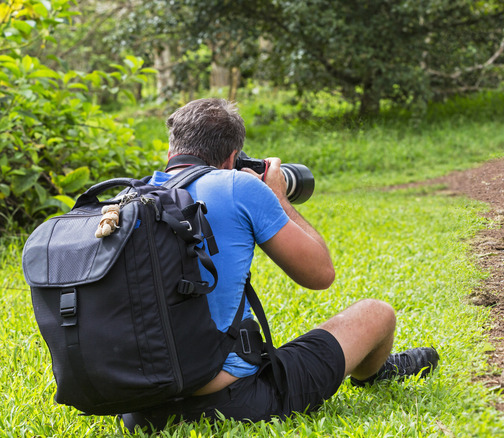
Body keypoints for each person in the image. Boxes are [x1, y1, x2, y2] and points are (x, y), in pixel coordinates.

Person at [121, 98, 439, 431]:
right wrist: (278, 197)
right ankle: (376, 371)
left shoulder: (129, 200)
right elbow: (320, 274)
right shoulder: (237, 186)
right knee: (377, 313)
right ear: (232, 157)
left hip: (140, 407)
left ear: (172, 153)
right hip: (233, 400)